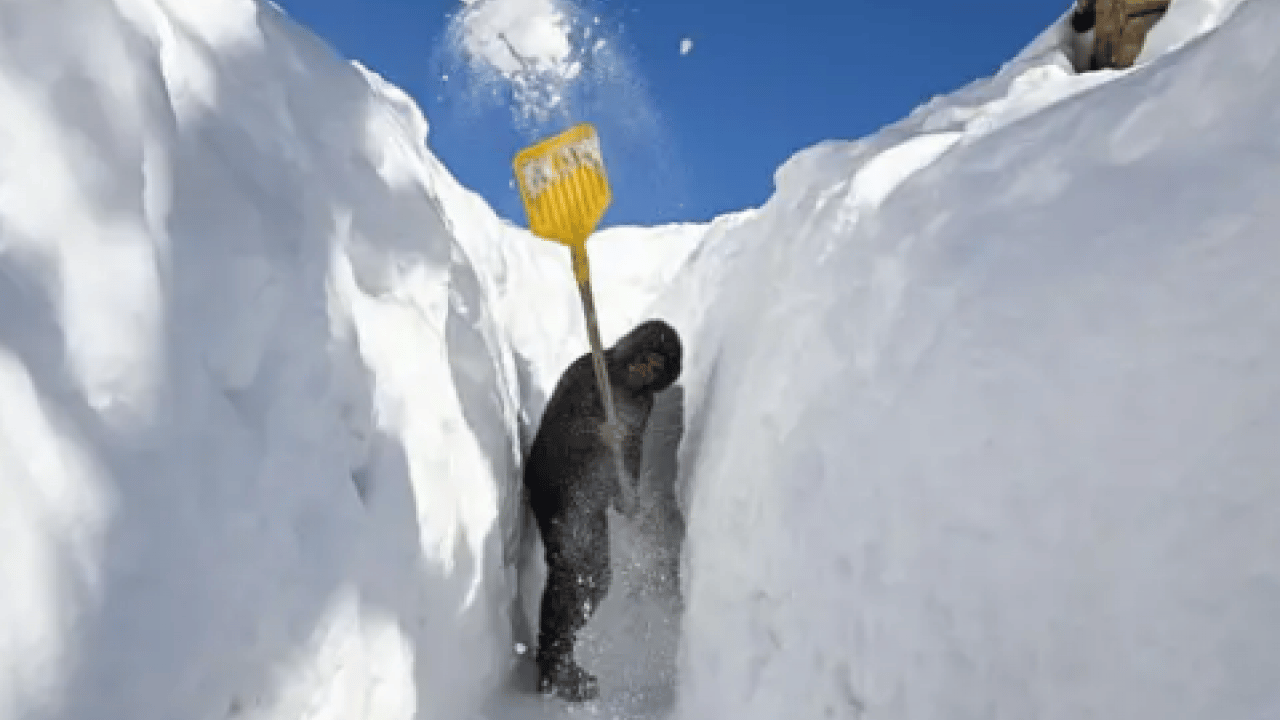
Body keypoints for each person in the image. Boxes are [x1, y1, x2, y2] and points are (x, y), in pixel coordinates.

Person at [522, 319, 683, 701]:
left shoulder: (642, 401)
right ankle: (554, 666)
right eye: (645, 360)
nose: (645, 372)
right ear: (633, 349)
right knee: (575, 570)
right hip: (556, 478)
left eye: (656, 370)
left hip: (587, 496)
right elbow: (558, 427)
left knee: (595, 578)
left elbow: (628, 452)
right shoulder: (593, 369)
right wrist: (596, 431)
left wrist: (626, 494)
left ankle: (557, 651)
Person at [1072, 0, 1173, 71]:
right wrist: (1084, 10)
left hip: (1140, 74)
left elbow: (1180, 12)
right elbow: (1082, 19)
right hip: (1100, 67)